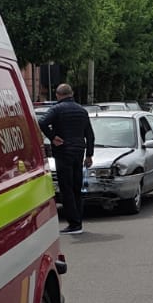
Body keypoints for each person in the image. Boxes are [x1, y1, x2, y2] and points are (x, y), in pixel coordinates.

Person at [40, 83, 94, 235]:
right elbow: (90, 134)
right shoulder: (82, 111)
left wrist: (52, 137)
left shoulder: (56, 109)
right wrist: (89, 155)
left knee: (66, 187)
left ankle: (73, 223)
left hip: (63, 151)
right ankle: (78, 221)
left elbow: (42, 122)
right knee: (77, 187)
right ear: (72, 94)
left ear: (58, 95)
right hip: (79, 151)